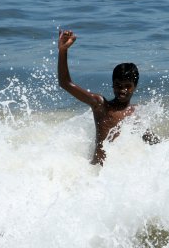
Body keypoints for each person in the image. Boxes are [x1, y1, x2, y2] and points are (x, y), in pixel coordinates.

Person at [58, 29, 159, 165]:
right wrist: (63, 51)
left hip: (117, 177)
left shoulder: (135, 113)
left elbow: (155, 143)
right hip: (97, 174)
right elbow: (65, 83)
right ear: (112, 85)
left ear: (135, 86)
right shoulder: (101, 105)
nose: (122, 90)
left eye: (127, 86)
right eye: (118, 85)